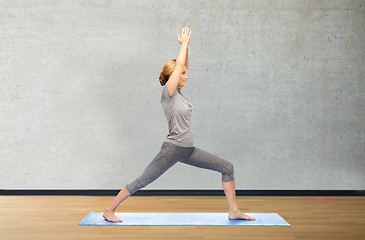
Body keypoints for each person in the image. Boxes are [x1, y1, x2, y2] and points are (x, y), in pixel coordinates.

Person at [103, 26, 255, 222]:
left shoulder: (180, 96)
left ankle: (234, 211)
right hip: (173, 149)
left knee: (227, 168)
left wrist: (187, 48)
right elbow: (180, 65)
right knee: (143, 180)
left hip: (188, 150)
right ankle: (109, 210)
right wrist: (183, 45)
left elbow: (184, 65)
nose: (186, 76)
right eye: (182, 74)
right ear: (173, 77)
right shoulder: (168, 95)